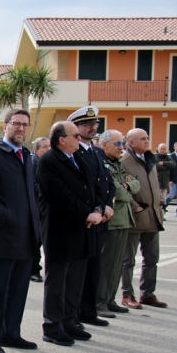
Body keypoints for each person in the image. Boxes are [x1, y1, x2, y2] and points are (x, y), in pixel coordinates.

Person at [0, 109, 41, 353]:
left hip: (26, 235)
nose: (21, 128)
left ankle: (11, 333)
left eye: (25, 125)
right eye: (16, 124)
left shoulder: (26, 155)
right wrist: (6, 215)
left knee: (19, 289)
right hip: (4, 234)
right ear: (5, 126)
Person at [37, 121, 103, 346]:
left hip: (81, 229)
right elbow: (59, 196)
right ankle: (53, 326)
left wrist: (98, 208)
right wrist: (87, 213)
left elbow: (92, 187)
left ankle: (69, 320)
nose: (80, 138)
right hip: (60, 230)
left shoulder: (79, 158)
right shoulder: (49, 161)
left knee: (75, 279)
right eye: (75, 135)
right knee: (57, 281)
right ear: (61, 139)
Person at [68, 106, 116, 328]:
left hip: (100, 218)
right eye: (87, 124)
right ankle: (74, 312)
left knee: (95, 266)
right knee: (79, 270)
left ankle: (89, 310)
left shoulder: (97, 152)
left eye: (94, 124)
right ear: (76, 128)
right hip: (85, 219)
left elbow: (108, 182)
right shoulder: (74, 151)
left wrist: (106, 205)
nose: (92, 127)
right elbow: (82, 187)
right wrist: (96, 209)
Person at [120, 128, 167, 308]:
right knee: (128, 260)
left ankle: (147, 293)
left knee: (152, 258)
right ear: (130, 142)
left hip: (154, 217)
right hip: (135, 217)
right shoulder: (124, 161)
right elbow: (121, 187)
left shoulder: (151, 159)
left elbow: (155, 185)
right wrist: (134, 207)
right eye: (142, 139)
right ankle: (127, 294)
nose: (147, 141)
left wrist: (161, 203)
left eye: (147, 138)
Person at [96, 130, 140, 317]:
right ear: (104, 144)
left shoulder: (117, 164)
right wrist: (127, 188)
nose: (121, 148)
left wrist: (127, 187)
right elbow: (118, 193)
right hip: (112, 220)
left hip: (123, 218)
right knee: (107, 263)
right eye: (117, 144)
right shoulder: (103, 163)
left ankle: (110, 298)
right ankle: (99, 301)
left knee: (117, 264)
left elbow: (136, 185)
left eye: (122, 144)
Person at [29, 136, 51, 283]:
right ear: (36, 150)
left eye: (49, 146)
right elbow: (34, 186)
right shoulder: (33, 163)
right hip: (37, 208)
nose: (48, 149)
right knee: (36, 240)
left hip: (48, 209)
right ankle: (33, 270)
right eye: (44, 147)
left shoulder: (50, 163)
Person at [155, 143, 177, 216]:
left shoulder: (167, 157)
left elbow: (174, 165)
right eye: (161, 149)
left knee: (163, 201)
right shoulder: (154, 157)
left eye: (164, 149)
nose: (162, 150)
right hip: (156, 182)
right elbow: (156, 166)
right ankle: (157, 215)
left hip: (165, 183)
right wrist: (167, 166)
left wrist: (164, 163)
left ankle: (162, 215)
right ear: (158, 149)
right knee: (157, 201)